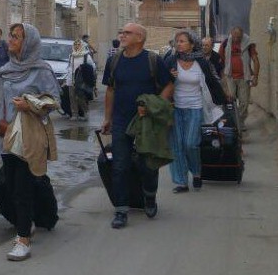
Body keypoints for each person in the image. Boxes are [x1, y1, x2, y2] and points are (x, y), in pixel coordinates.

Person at [0, 23, 60, 261]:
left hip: (29, 137)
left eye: (16, 37)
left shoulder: (41, 70)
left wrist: (29, 105)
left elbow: (54, 101)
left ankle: (23, 240)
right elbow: (1, 102)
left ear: (28, 43)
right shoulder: (7, 69)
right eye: (10, 36)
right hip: (7, 136)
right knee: (8, 186)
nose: (10, 40)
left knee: (22, 189)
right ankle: (28, 222)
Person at [101, 22, 174, 229]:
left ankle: (149, 197)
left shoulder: (153, 60)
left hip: (146, 121)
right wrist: (107, 118)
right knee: (119, 165)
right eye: (121, 32)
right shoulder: (114, 60)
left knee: (147, 164)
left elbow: (169, 85)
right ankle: (121, 210)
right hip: (121, 119)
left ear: (140, 38)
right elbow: (110, 90)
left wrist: (153, 106)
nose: (122, 35)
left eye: (127, 33)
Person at [164, 30, 227, 193]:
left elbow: (213, 81)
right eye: (177, 41)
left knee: (191, 143)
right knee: (177, 145)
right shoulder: (170, 61)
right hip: (175, 108)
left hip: (195, 107)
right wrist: (169, 76)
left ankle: (197, 172)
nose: (178, 44)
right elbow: (160, 82)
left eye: (182, 41)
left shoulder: (202, 62)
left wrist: (223, 100)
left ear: (192, 45)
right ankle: (181, 182)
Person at [221, 26, 259, 124]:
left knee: (244, 102)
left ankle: (240, 122)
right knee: (230, 100)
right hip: (230, 76)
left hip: (244, 77)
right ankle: (232, 122)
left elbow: (255, 60)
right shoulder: (226, 43)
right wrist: (222, 78)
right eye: (234, 37)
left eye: (239, 37)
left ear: (242, 35)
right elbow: (221, 60)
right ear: (231, 34)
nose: (236, 39)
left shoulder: (248, 43)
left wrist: (255, 77)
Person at [68, 38, 94, 120]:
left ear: (82, 46)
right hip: (72, 79)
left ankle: (86, 112)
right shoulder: (71, 56)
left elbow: (92, 67)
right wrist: (67, 80)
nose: (77, 46)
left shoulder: (86, 56)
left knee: (80, 97)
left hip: (81, 80)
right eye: (75, 44)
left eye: (78, 44)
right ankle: (74, 114)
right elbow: (69, 68)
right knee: (72, 97)